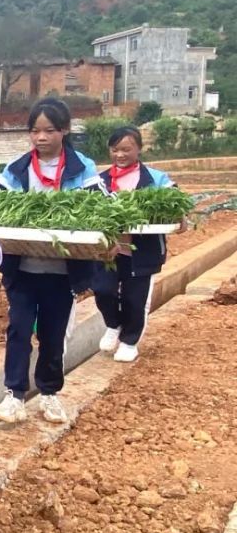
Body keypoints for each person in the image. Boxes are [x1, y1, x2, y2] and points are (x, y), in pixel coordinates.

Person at [0, 98, 103, 425]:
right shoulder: (16, 170)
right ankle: (14, 395)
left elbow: (99, 208)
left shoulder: (83, 169)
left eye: (49, 130)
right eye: (35, 131)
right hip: (23, 270)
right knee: (19, 330)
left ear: (64, 130)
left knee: (52, 335)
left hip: (62, 273)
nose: (41, 137)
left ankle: (50, 395)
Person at [94, 126, 177, 363]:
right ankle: (114, 324)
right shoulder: (100, 181)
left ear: (139, 149)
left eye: (126, 149)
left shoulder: (155, 179)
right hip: (109, 250)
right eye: (115, 150)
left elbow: (174, 201)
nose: (120, 155)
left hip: (141, 252)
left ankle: (130, 341)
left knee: (135, 298)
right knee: (102, 290)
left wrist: (180, 216)